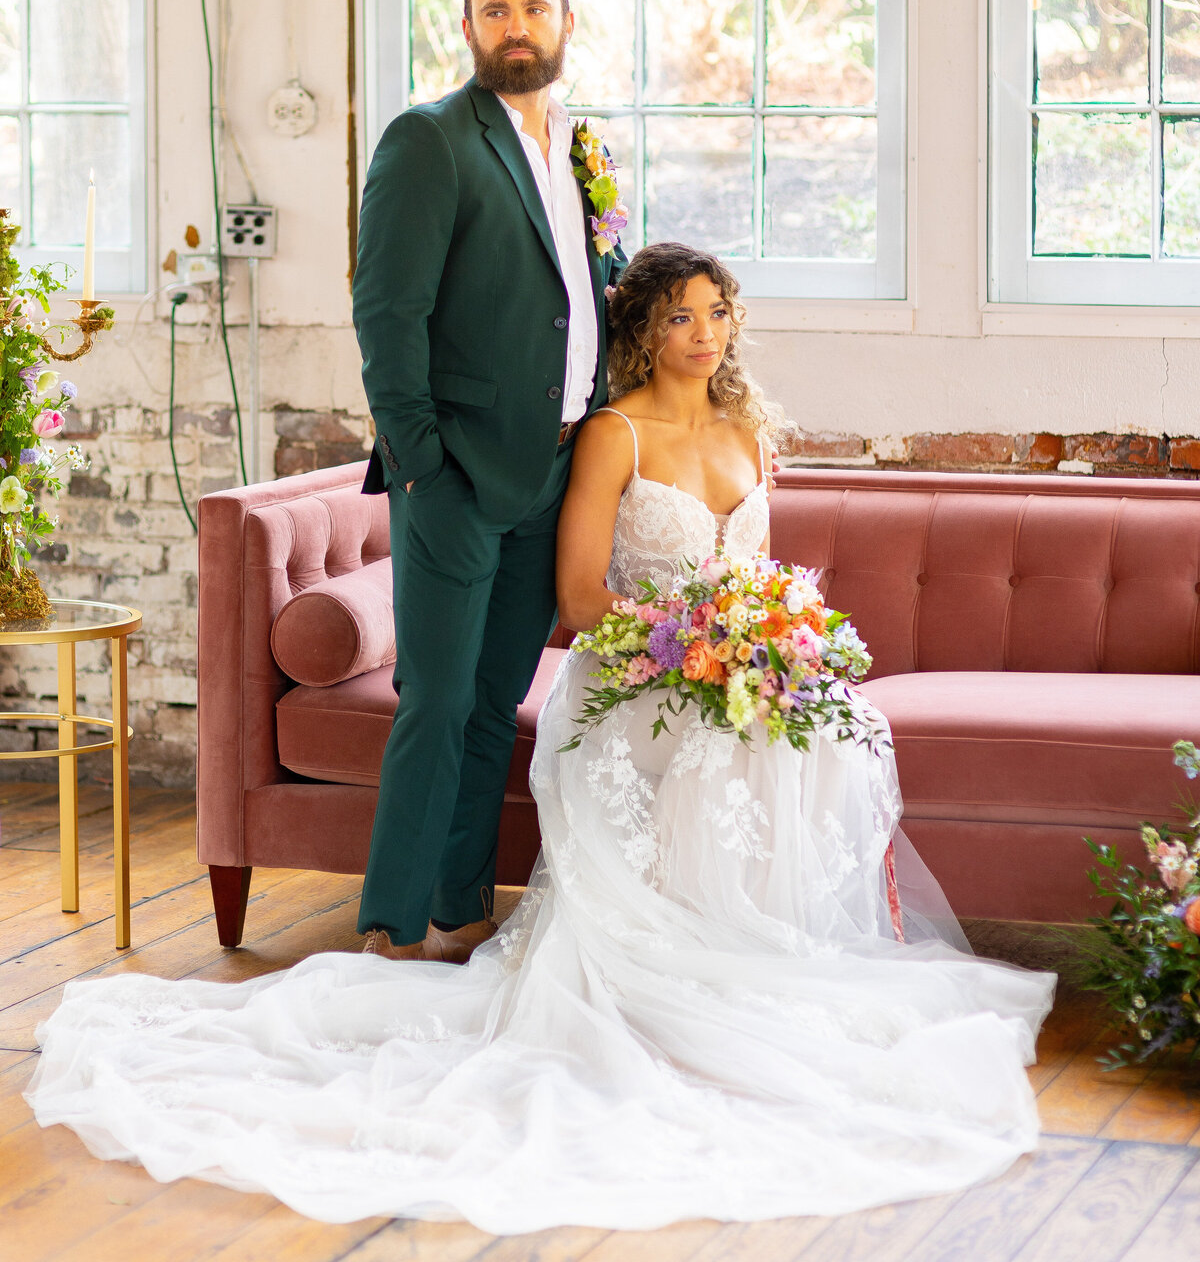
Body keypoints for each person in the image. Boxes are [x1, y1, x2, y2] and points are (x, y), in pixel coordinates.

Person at [27, 244, 1055, 1234]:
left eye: (717, 310)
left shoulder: (750, 432)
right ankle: (670, 967)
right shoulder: (616, 432)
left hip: (722, 666)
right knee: (707, 747)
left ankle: (753, 950)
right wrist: (687, 650)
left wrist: (760, 649)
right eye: (678, 314)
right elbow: (576, 595)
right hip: (632, 672)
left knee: (829, 734)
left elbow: (758, 577)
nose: (702, 331)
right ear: (643, 331)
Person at [351, 0, 624, 962]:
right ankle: (390, 921)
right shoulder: (428, 142)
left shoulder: (578, 149)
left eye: (536, 9)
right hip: (455, 472)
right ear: (467, 28)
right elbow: (386, 310)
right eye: (496, 11)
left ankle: (460, 906)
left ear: (567, 22)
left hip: (556, 473)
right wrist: (422, 459)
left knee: (494, 702)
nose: (517, 27)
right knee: (435, 698)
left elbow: (588, 298)